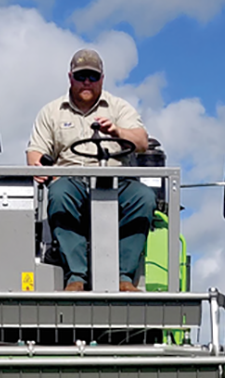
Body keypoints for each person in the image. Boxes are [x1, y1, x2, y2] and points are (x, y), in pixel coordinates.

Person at [26, 49, 156, 292]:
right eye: (81, 75)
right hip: (71, 181)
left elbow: (141, 141)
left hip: (117, 182)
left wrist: (117, 132)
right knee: (60, 193)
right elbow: (35, 152)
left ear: (102, 79)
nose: (87, 81)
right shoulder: (52, 112)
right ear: (70, 77)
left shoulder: (118, 107)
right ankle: (76, 276)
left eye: (93, 77)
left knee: (144, 197)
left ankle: (124, 277)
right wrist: (40, 168)